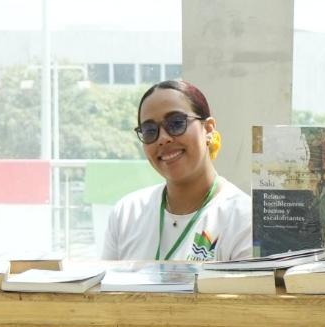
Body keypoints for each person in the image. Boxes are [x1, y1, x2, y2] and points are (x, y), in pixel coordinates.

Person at [100, 79, 253, 262]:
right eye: (150, 130)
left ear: (208, 129)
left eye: (176, 123)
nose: (163, 138)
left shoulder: (245, 219)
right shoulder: (126, 213)